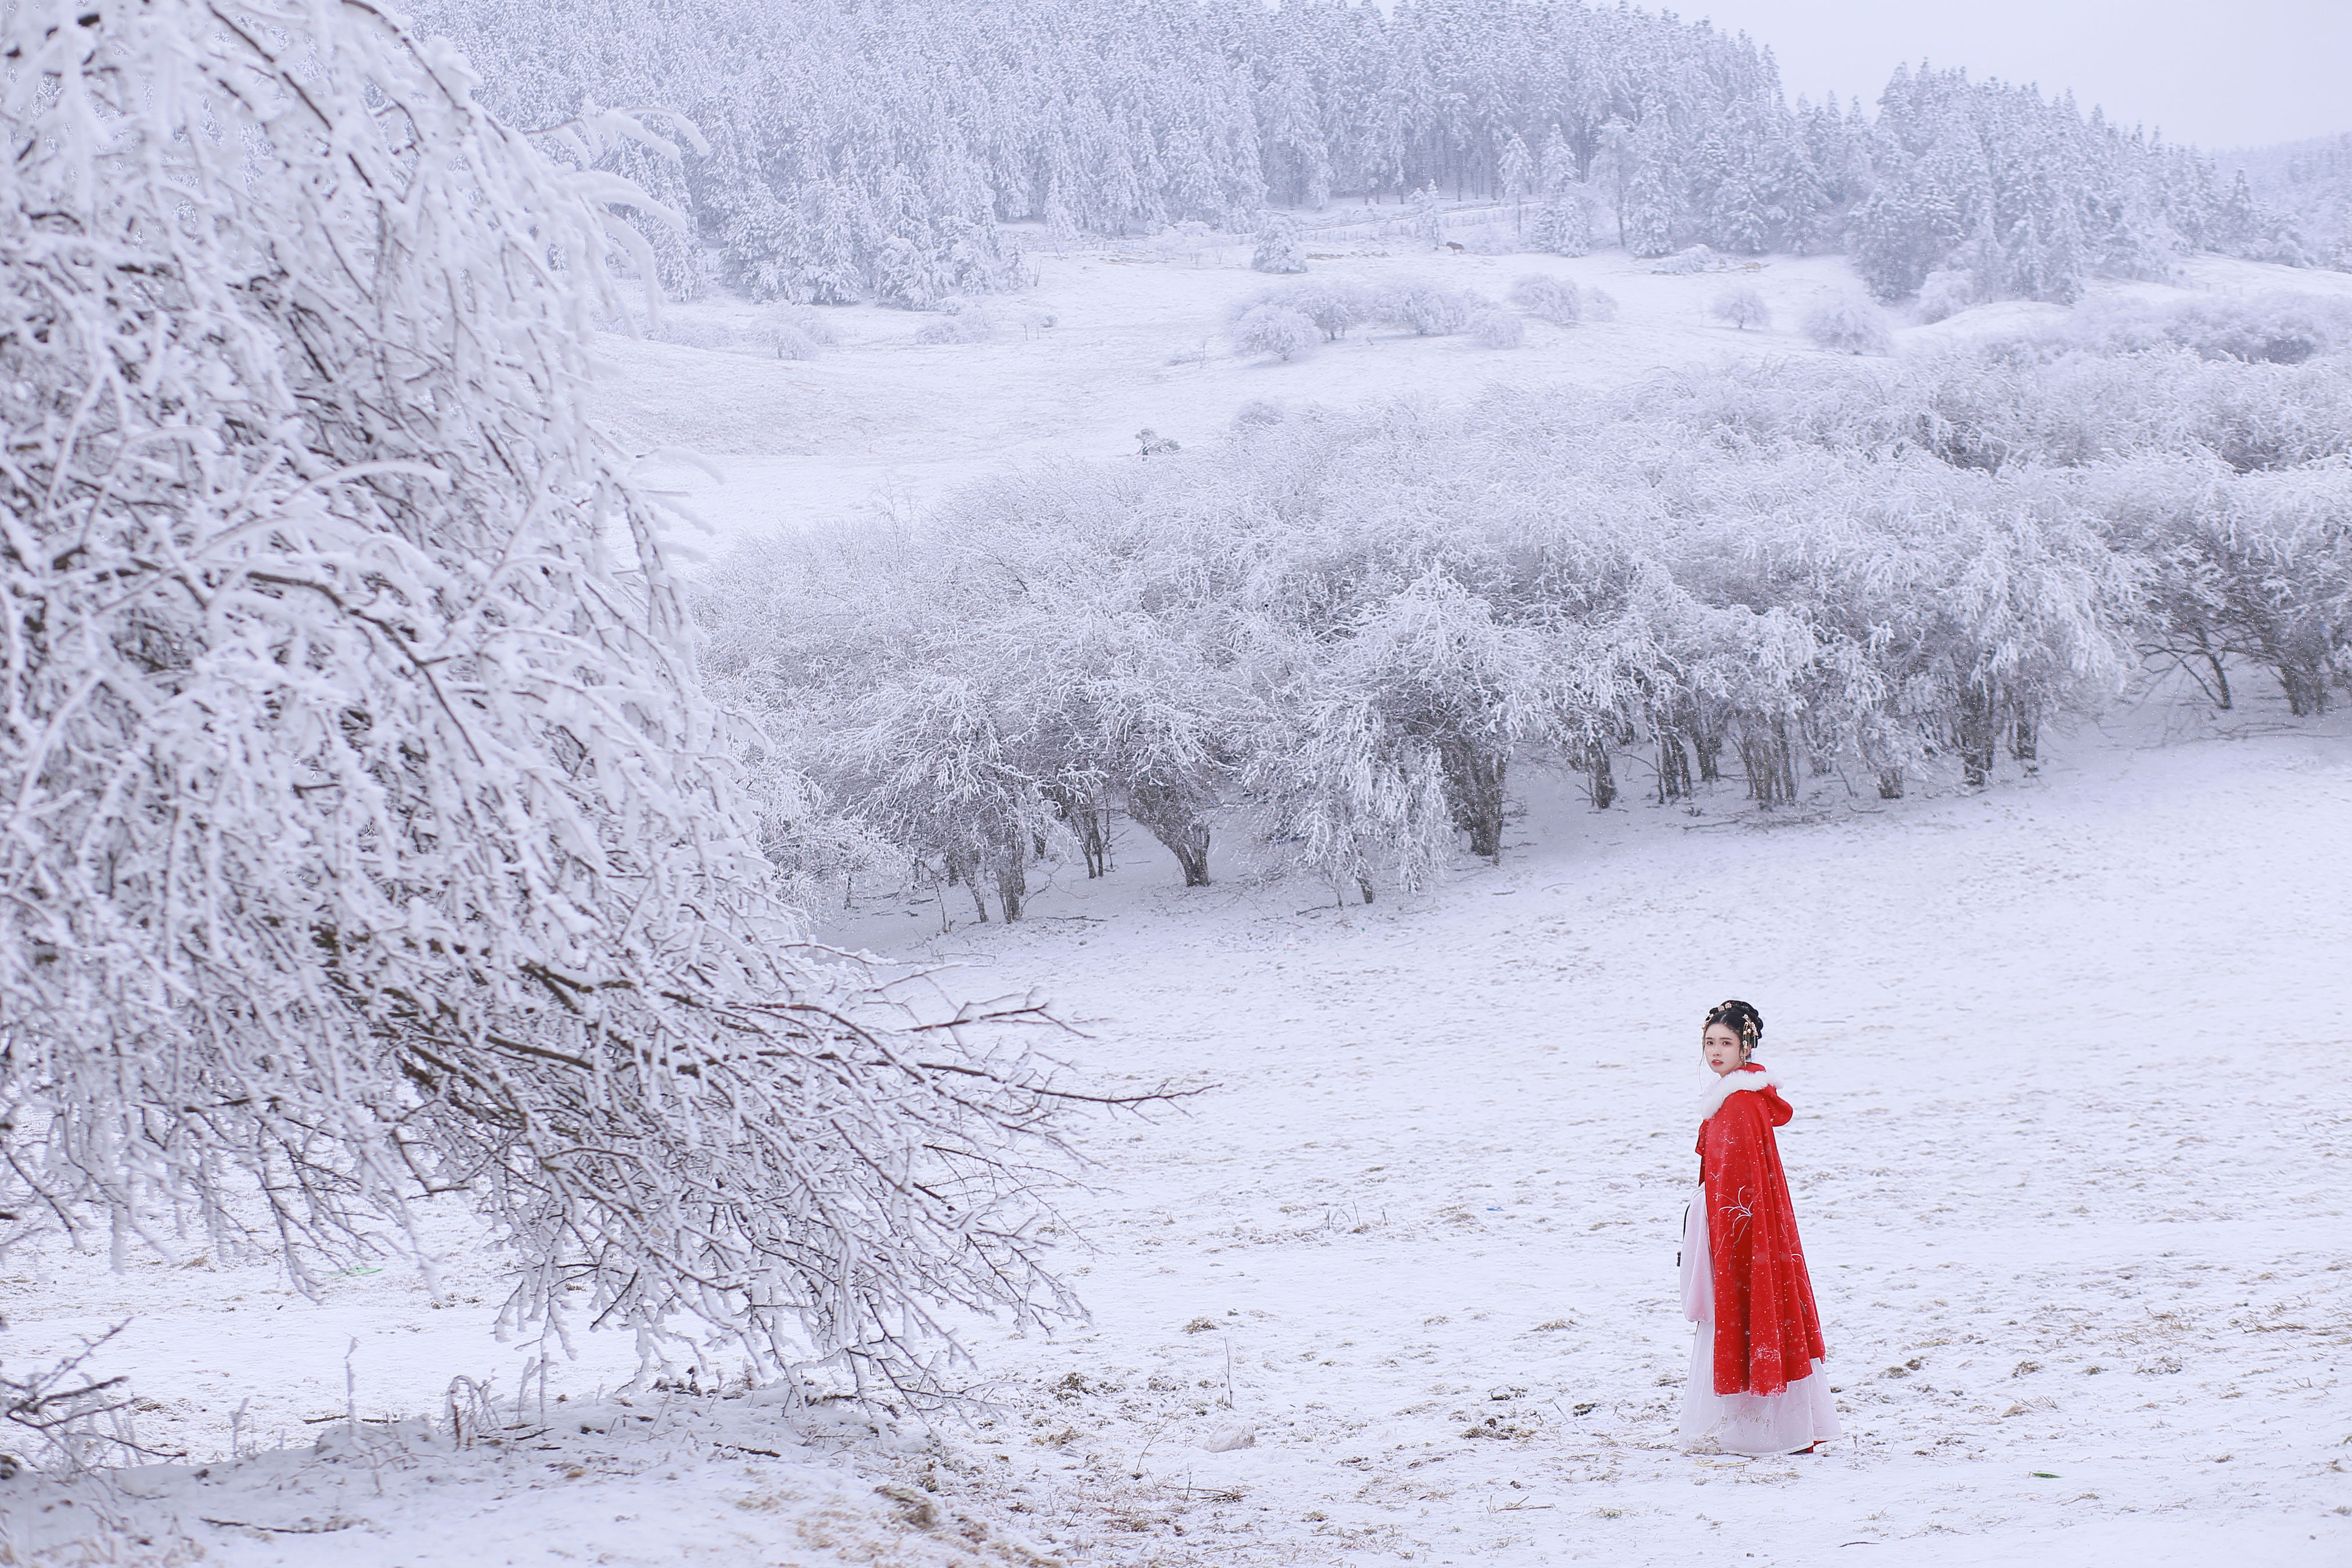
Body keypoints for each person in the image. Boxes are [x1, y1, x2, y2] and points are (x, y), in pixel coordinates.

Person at [1677, 999, 1839, 1456]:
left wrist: (1727, 1227)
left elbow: (1743, 1182)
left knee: (1753, 1310)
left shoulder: (1741, 1103)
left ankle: (1769, 1430)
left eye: (1725, 1043)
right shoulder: (1729, 1098)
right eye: (1709, 1042)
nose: (1715, 1051)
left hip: (1745, 1232)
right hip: (1734, 1229)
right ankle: (1763, 1427)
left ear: (1745, 1046)